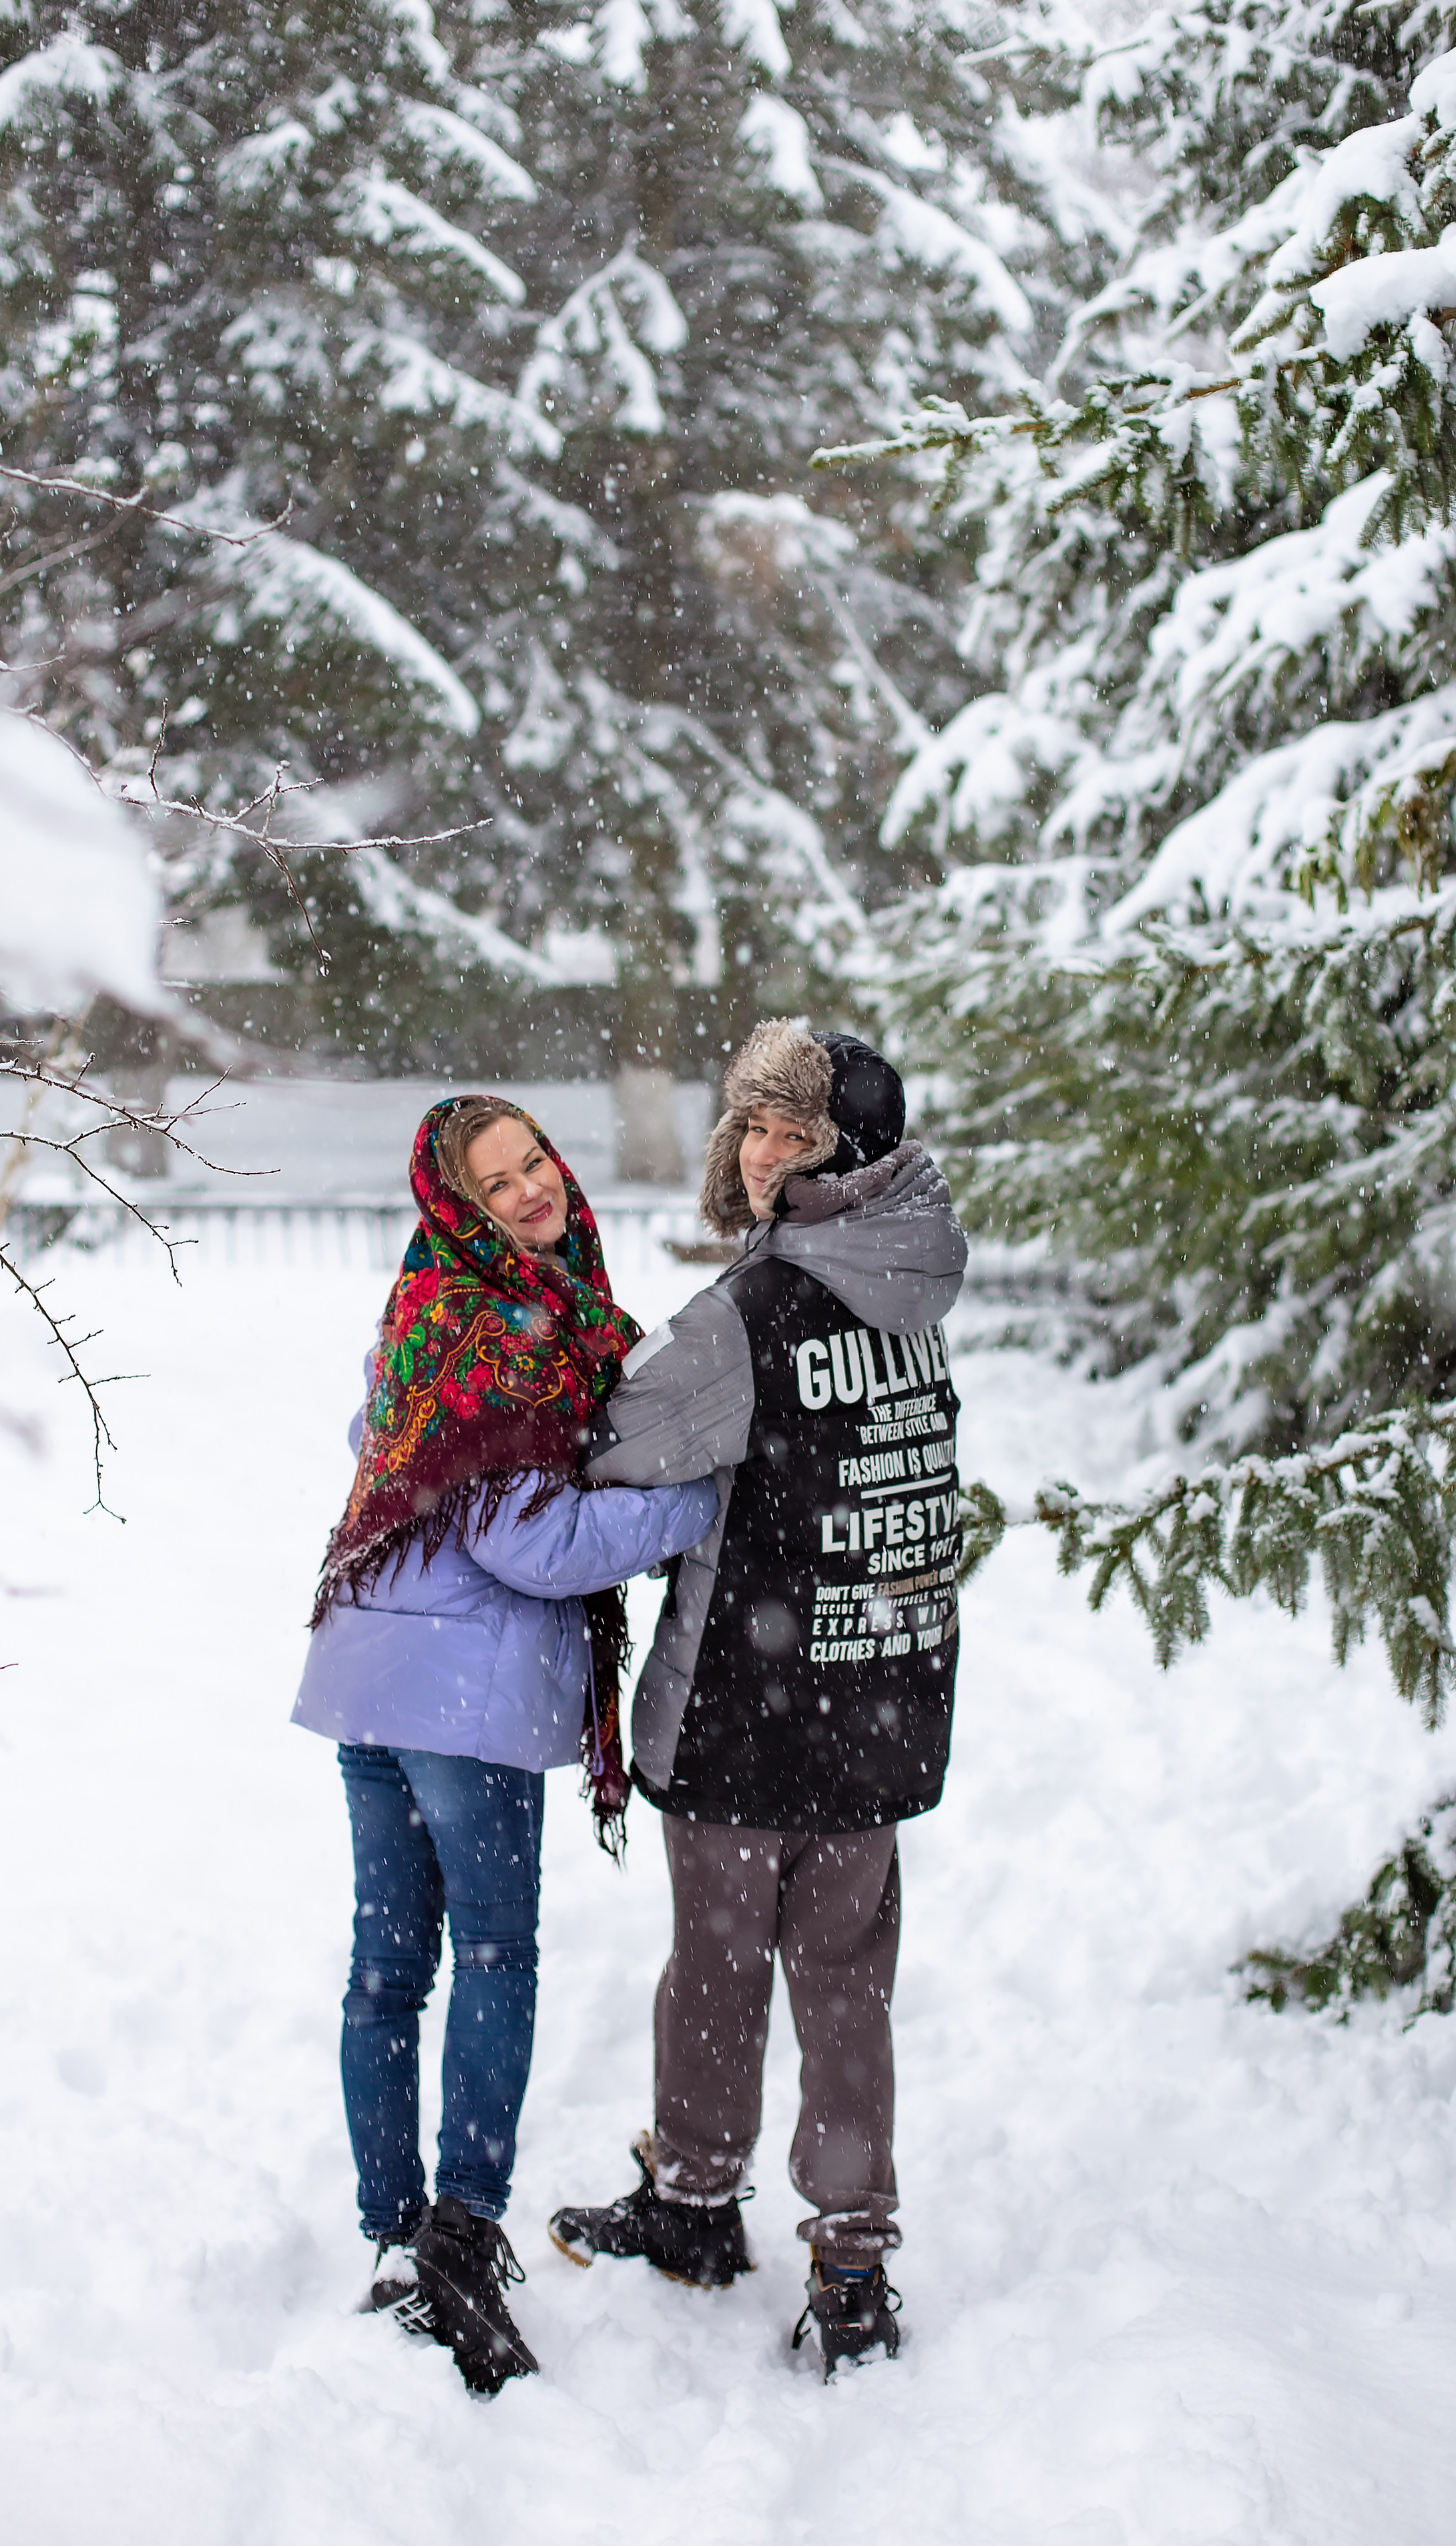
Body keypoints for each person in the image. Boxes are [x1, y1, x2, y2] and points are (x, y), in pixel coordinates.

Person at [547, 1024, 968, 2374]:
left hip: (751, 1704)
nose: (761, 1154)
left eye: (795, 1133)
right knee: (846, 1988)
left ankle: (693, 2204)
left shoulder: (754, 1312)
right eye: (753, 1126)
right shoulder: (910, 1288)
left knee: (720, 1972)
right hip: (880, 1694)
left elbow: (612, 1443)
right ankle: (853, 2261)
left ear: (851, 1157)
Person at [294, 1094, 717, 2395]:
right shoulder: (507, 1331)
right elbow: (532, 1541)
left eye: (534, 1161)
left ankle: (394, 2236)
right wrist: (694, 1504)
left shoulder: (430, 1304)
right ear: (459, 1206)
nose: (532, 1189)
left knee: (385, 1968)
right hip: (460, 1701)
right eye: (498, 1183)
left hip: (369, 1672)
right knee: (489, 1953)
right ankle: (462, 2238)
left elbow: (378, 1445)